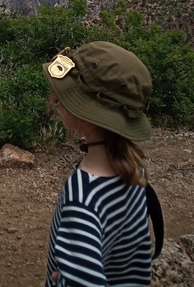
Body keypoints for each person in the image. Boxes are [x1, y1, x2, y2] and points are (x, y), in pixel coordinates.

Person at [42, 41, 153, 287]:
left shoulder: (82, 200)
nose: (55, 98)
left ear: (89, 112)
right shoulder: (134, 170)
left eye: (66, 94)